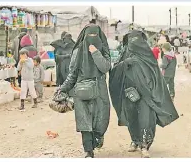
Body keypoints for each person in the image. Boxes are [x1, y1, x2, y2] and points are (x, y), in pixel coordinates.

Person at [109, 30, 179, 158]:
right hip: (129, 94)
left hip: (146, 95)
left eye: (137, 40)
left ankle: (144, 145)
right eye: (131, 40)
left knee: (146, 119)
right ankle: (135, 140)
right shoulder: (124, 55)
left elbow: (155, 74)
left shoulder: (148, 55)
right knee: (132, 118)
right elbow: (114, 72)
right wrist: (125, 64)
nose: (134, 43)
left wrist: (151, 90)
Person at [58, 24, 111, 158]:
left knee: (101, 120)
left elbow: (105, 67)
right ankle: (88, 150)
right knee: (84, 122)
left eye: (95, 35)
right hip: (82, 91)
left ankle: (98, 137)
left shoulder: (103, 50)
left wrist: (95, 52)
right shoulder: (77, 52)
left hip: (100, 91)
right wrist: (63, 88)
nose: (92, 38)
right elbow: (72, 74)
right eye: (89, 35)